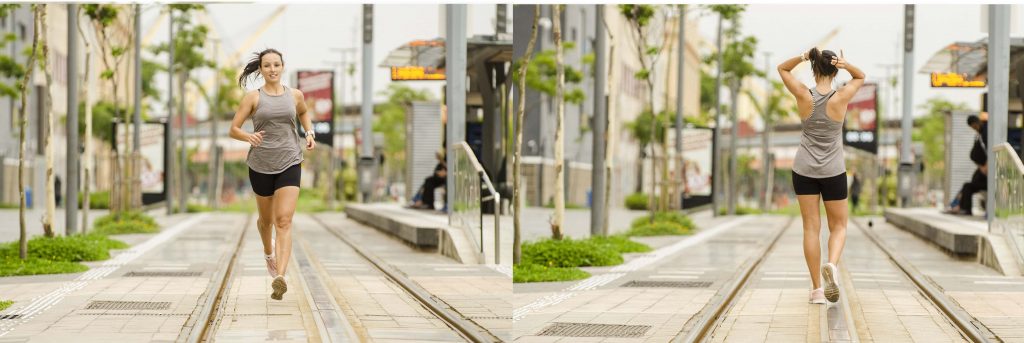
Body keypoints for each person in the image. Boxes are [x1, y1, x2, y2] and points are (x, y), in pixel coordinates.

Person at [778, 47, 865, 304]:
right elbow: (861, 76)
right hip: (833, 170)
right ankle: (832, 266)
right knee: (838, 226)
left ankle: (816, 289)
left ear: (814, 68)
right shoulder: (841, 97)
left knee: (810, 228)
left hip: (803, 169)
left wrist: (803, 57)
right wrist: (846, 64)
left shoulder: (804, 95)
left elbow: (782, 68)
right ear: (834, 69)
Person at [228, 48, 316, 301]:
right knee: (265, 221)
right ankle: (269, 252)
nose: (272, 69)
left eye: (276, 64)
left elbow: (303, 112)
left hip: (290, 160)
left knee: (284, 220)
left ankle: (280, 276)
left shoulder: (295, 95)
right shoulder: (252, 98)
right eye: (267, 66)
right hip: (260, 164)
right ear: (261, 69)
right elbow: (233, 128)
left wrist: (309, 133)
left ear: (283, 66)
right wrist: (248, 136)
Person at [946, 115, 988, 215]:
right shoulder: (979, 135)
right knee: (968, 184)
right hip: (983, 168)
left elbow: (989, 150)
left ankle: (960, 207)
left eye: (974, 127)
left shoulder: (986, 132)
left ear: (976, 123)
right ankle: (956, 205)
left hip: (988, 170)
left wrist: (986, 165)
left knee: (968, 186)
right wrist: (981, 166)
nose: (974, 129)